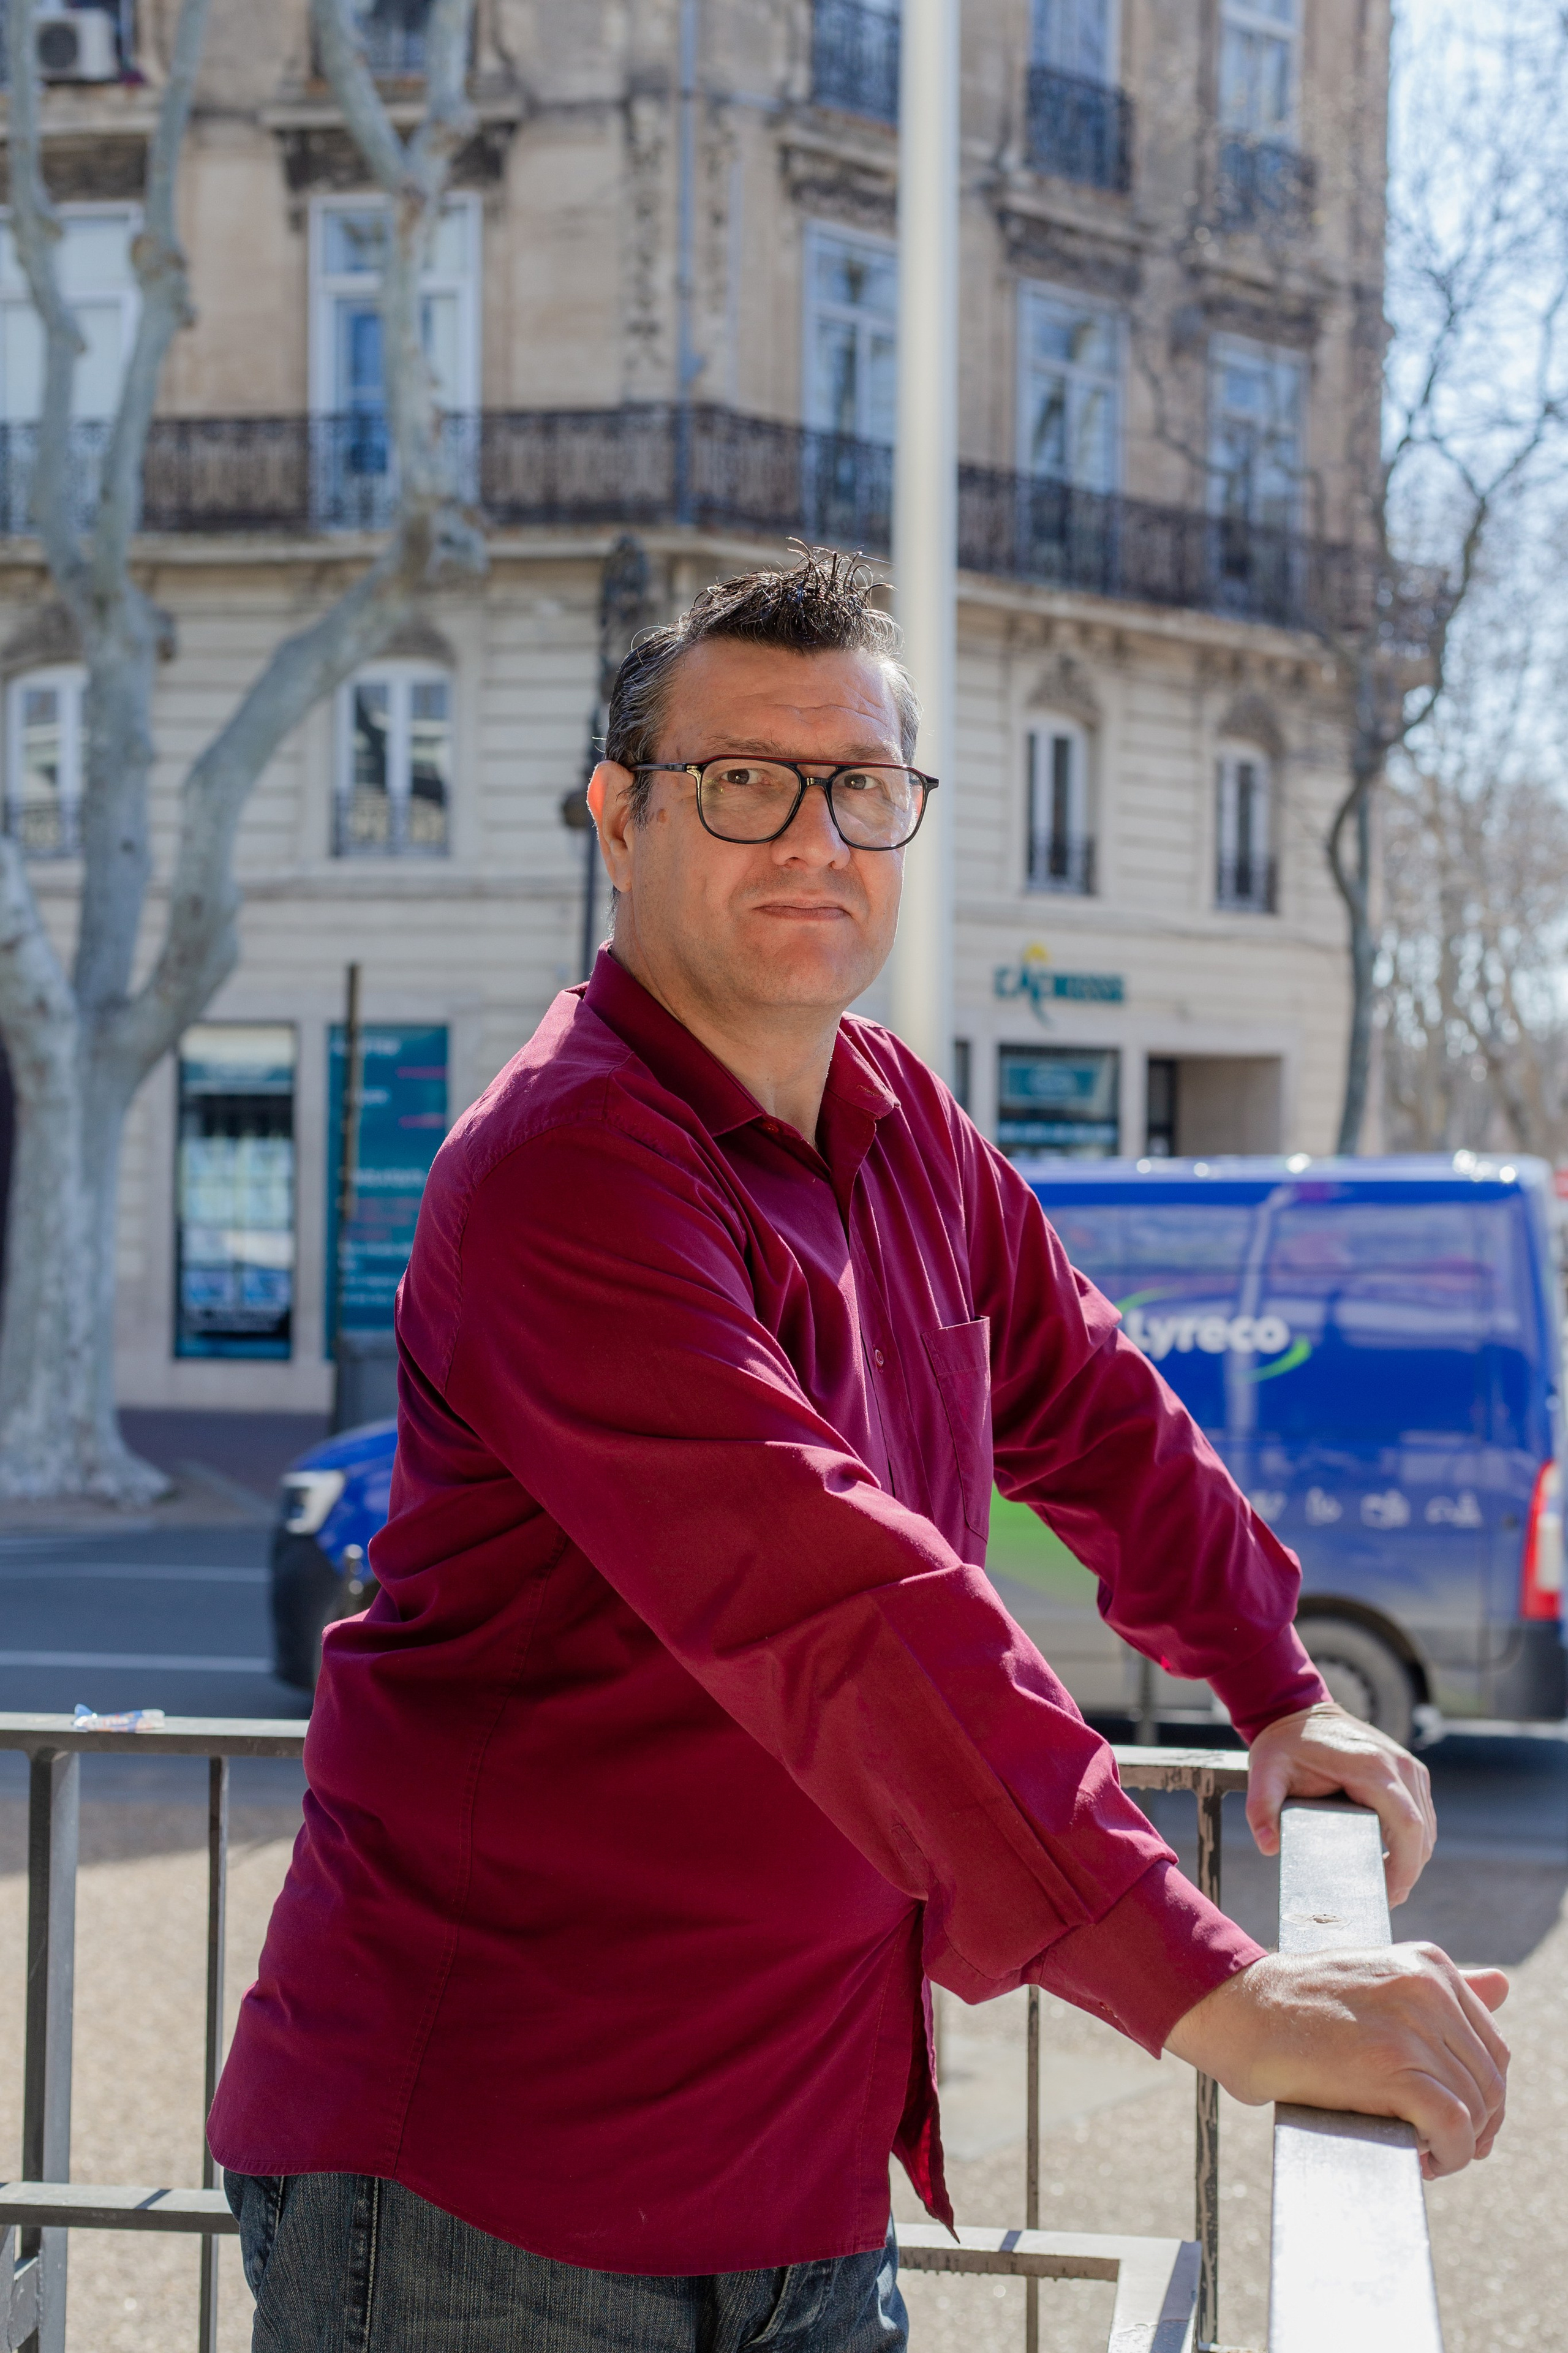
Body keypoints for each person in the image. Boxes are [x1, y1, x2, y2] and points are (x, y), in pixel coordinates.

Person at [210, 549, 1507, 2353]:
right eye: (745, 781)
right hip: (483, 2189)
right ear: (619, 820)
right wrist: (1223, 1995)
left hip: (804, 2175)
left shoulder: (904, 1123)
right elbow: (840, 1607)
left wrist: (1279, 1687)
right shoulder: (562, 1167)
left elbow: (1095, 1403)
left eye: (864, 787)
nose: (815, 838)